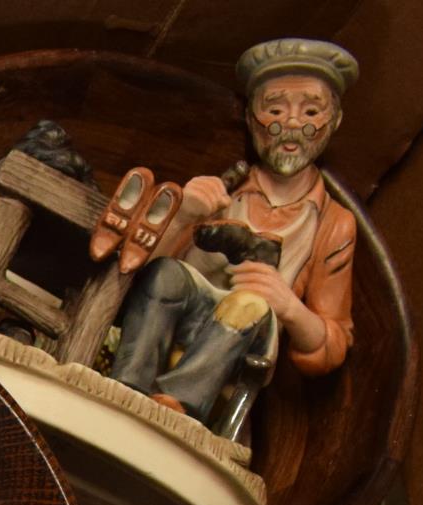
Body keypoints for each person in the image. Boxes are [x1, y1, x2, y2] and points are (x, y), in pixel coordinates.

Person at [107, 38, 359, 421]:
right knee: (168, 274)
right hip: (184, 315)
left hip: (243, 340)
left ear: (335, 121)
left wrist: (290, 308)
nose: (291, 124)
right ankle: (125, 386)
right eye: (274, 109)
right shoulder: (227, 187)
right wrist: (184, 215)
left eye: (310, 111)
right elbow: (133, 272)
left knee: (248, 304)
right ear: (250, 117)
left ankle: (176, 407)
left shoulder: (334, 223)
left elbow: (332, 344)